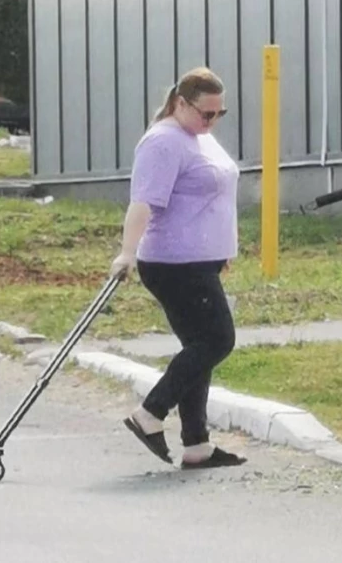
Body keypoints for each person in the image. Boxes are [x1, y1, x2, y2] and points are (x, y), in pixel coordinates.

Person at [110, 67, 247, 470]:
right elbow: (143, 203)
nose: (213, 121)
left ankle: (196, 445)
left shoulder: (196, 135)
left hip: (199, 261)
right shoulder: (164, 142)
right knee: (219, 340)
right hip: (175, 263)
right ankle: (150, 413)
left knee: (198, 350)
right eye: (206, 113)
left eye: (220, 114)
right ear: (181, 103)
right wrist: (126, 253)